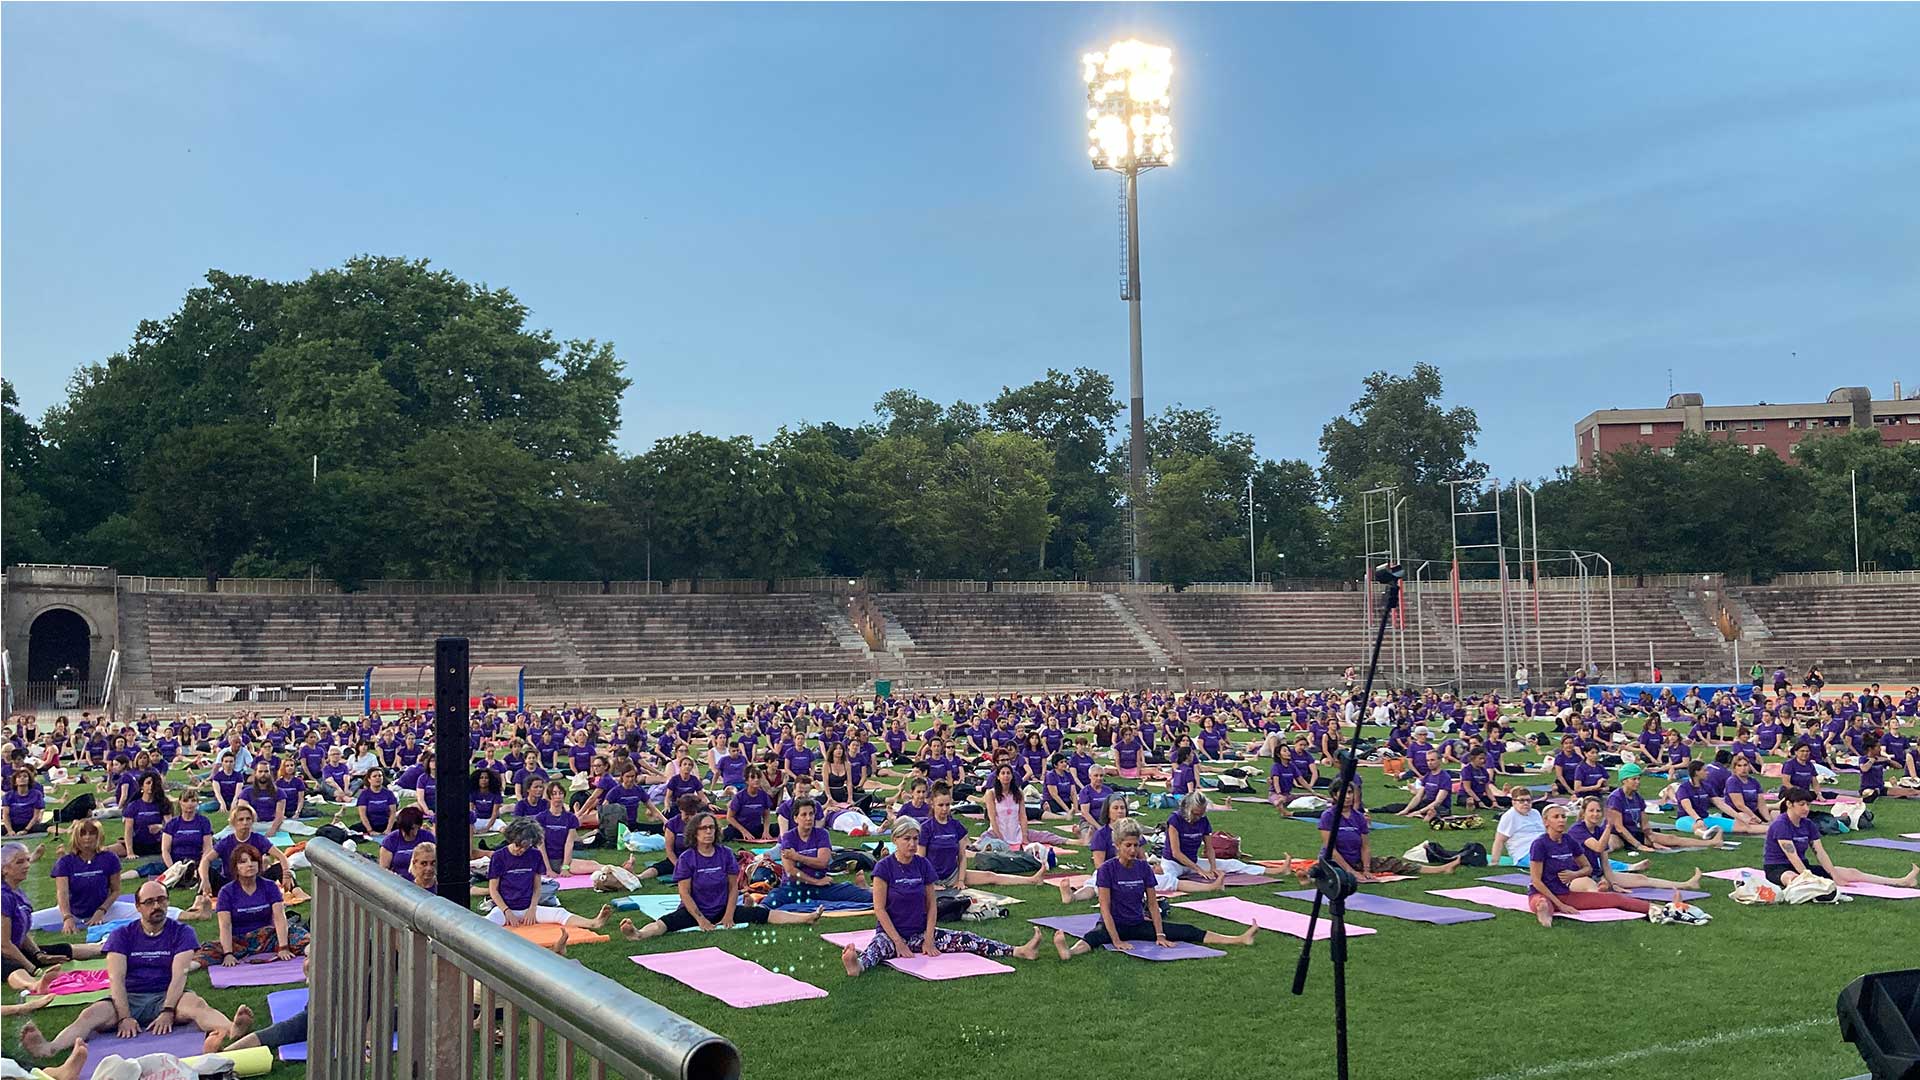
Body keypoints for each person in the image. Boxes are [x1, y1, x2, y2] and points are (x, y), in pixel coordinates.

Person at [17, 881, 252, 1061]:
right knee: (90, 1015)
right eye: (149, 902)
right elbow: (116, 979)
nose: (157, 906)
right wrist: (125, 1015)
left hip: (168, 995)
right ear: (138, 907)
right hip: (128, 997)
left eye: (161, 900)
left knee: (198, 1005)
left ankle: (232, 1030)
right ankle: (49, 1048)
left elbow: (180, 974)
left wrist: (168, 1010)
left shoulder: (183, 932)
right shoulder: (122, 935)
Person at [840, 817, 1043, 975]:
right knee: (875, 950)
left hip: (919, 933)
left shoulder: (922, 864)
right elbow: (880, 909)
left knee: (968, 939)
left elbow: (931, 905)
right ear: (895, 840)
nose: (912, 844)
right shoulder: (884, 868)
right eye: (906, 839)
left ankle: (1017, 951)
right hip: (891, 936)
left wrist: (928, 938)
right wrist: (899, 942)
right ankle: (857, 966)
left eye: (915, 839)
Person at [1052, 817, 1256, 960]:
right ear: (1117, 845)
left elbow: (1152, 903)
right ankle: (1069, 952)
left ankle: (1238, 939)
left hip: (1137, 923)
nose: (1133, 850)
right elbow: (1104, 908)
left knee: (1185, 930)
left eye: (1136, 846)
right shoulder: (1107, 870)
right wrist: (1116, 940)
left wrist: (1159, 935)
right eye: (1128, 846)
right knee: (1092, 937)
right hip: (1111, 925)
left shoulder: (1143, 868)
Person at [619, 813, 817, 940]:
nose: (708, 832)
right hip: (694, 910)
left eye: (711, 828)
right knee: (664, 923)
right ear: (694, 833)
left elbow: (733, 887)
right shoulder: (688, 858)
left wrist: (729, 914)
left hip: (722, 908)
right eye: (704, 828)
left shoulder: (724, 854)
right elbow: (684, 894)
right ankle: (638, 934)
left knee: (762, 914)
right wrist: (701, 920)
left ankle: (804, 918)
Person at [1526, 804, 1656, 926]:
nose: (1561, 820)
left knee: (1615, 898)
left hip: (1565, 894)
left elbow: (1588, 868)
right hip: (1542, 894)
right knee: (1542, 904)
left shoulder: (1568, 840)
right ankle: (1545, 917)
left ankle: (1656, 908)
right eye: (1556, 817)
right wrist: (1560, 905)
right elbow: (1536, 881)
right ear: (1546, 821)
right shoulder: (1540, 844)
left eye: (1563, 816)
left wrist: (1574, 874)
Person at [1763, 787, 1918, 889]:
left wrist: (1834, 876)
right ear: (1789, 804)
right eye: (1802, 804)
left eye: (1808, 804)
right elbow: (1792, 857)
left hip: (1803, 866)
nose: (1806, 808)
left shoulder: (1808, 824)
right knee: (1794, 879)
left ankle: (1901, 881)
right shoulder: (1781, 824)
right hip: (1778, 868)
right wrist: (1809, 878)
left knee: (1851, 873)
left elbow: (1821, 853)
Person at [2, 843, 105, 993]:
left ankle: (107, 947)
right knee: (13, 967)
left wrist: (38, 955)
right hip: (4, 953)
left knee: (61, 950)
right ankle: (34, 985)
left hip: (12, 949)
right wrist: (33, 968)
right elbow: (4, 944)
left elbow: (20, 934)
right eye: (19, 862)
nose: (26, 866)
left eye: (27, 860)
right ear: (4, 869)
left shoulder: (16, 892)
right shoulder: (3, 896)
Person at [1312, 783, 1460, 882]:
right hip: (1334, 861)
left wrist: (1366, 869)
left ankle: (1441, 868)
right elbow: (1330, 849)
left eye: (1351, 793)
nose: (1349, 796)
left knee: (1393, 863)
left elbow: (1365, 846)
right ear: (1335, 795)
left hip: (1356, 860)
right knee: (1326, 874)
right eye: (1344, 793)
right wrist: (1351, 871)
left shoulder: (1358, 817)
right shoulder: (1329, 816)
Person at [482, 819, 610, 931]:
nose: (520, 850)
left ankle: (593, 923)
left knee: (560, 913)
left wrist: (532, 909)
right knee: (486, 923)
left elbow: (537, 887)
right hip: (503, 909)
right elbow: (493, 890)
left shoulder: (535, 855)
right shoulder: (499, 857)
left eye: (524, 847)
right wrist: (507, 911)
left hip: (528, 907)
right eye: (517, 845)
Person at [200, 845, 307, 967]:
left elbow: (279, 918)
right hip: (239, 941)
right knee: (209, 949)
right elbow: (225, 926)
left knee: (298, 934)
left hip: (267, 937)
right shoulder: (226, 892)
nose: (250, 864)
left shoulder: (270, 886)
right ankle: (182, 972)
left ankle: (315, 958)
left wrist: (283, 947)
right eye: (243, 862)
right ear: (235, 867)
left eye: (254, 860)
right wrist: (228, 954)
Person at [1567, 797, 1701, 893]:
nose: (1595, 814)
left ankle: (1686, 884)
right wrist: (1609, 827)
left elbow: (1604, 860)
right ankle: (1602, 890)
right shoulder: (1577, 830)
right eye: (1591, 811)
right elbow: (1598, 847)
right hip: (1577, 876)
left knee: (1640, 878)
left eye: (1598, 811)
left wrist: (1614, 883)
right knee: (1592, 887)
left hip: (1597, 874)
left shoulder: (1598, 830)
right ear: (1583, 812)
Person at [50, 820, 124, 933]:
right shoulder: (65, 862)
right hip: (72, 911)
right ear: (76, 836)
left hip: (106, 909)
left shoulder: (110, 858)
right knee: (31, 920)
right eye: (83, 833)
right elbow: (62, 892)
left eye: (92, 833)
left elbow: (116, 890)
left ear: (98, 836)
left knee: (142, 913)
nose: (87, 837)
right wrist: (67, 917)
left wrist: (101, 911)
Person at [378, 807, 435, 882]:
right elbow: (384, 869)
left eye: (415, 828)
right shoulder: (390, 840)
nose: (413, 832)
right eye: (407, 829)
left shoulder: (427, 837)